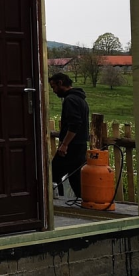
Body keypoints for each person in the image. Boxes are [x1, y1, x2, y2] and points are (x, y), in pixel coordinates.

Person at [49, 72, 89, 200]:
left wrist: (65, 144)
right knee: (75, 176)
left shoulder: (70, 100)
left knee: (53, 173)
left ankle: (53, 202)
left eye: (53, 87)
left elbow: (75, 124)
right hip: (80, 144)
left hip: (72, 146)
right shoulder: (80, 99)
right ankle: (84, 201)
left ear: (61, 83)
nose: (54, 91)